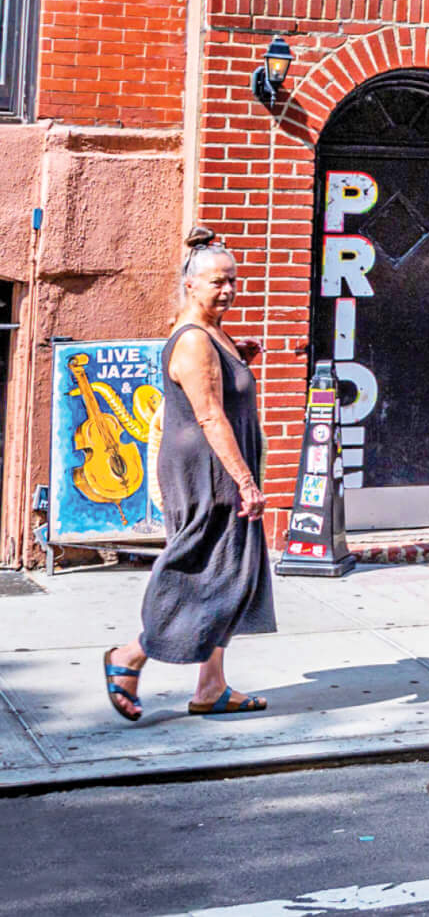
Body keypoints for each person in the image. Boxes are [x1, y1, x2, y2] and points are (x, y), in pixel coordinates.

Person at [102, 234, 276, 722]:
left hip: (215, 468)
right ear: (190, 284)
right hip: (207, 472)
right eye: (218, 282)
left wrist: (239, 357)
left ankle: (211, 685)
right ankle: (129, 655)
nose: (228, 290)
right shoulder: (196, 338)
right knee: (198, 570)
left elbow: (218, 384)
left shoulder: (213, 333)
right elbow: (209, 417)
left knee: (231, 575)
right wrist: (245, 481)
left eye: (233, 281)